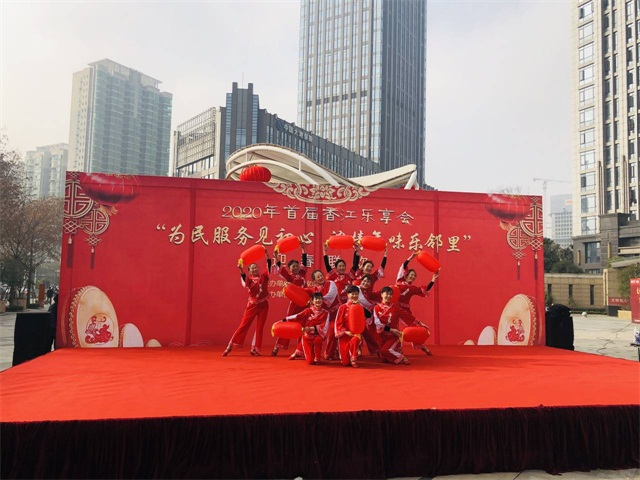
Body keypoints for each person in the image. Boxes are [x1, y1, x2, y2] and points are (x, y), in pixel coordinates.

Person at [223, 247, 272, 357]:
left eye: (255, 267)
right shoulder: (249, 280)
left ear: (258, 269)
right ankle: (230, 346)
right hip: (252, 306)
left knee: (260, 327)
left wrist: (267, 255)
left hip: (264, 305)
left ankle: (255, 349)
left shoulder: (264, 277)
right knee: (243, 325)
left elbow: (269, 267)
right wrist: (241, 270)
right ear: (249, 271)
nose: (254, 269)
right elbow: (244, 279)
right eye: (252, 268)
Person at [395, 251, 439, 355]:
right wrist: (410, 258)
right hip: (394, 307)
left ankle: (422, 346)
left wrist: (433, 280)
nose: (412, 277)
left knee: (414, 327)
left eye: (414, 276)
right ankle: (395, 349)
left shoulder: (413, 288)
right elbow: (403, 267)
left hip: (405, 310)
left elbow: (424, 289)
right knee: (392, 328)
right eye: (411, 275)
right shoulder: (399, 280)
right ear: (406, 275)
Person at [272, 243, 308, 356]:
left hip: (305, 304)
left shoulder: (302, 273)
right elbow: (280, 267)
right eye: (293, 266)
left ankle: (301, 349)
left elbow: (304, 262)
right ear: (290, 268)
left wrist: (303, 249)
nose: (296, 268)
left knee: (304, 325)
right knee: (288, 324)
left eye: (297, 266)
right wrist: (276, 256)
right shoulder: (289, 277)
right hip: (295, 304)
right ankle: (277, 347)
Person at [282, 292, 329, 365]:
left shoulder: (326, 313)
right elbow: (297, 316)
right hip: (307, 337)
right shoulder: (308, 311)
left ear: (322, 300)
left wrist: (311, 328)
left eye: (320, 299)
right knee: (310, 362)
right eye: (316, 299)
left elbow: (325, 326)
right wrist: (285, 319)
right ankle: (303, 353)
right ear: (312, 301)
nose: (318, 300)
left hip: (318, 335)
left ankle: (317, 357)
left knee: (318, 340)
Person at [304, 270, 340, 360]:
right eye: (318, 277)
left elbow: (331, 296)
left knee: (333, 331)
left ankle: (329, 353)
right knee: (310, 330)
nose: (321, 278)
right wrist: (290, 286)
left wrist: (317, 299)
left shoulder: (331, 283)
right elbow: (302, 291)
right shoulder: (313, 290)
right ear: (314, 280)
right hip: (323, 316)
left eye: (321, 275)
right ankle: (304, 352)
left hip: (335, 313)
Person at [374, 287, 410, 365]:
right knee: (383, 358)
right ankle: (394, 353)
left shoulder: (395, 307)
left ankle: (401, 357)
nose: (389, 296)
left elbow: (407, 316)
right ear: (381, 294)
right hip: (382, 336)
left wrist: (419, 323)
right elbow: (377, 323)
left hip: (393, 335)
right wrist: (390, 329)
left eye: (390, 294)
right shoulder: (376, 308)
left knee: (384, 351)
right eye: (387, 294)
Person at [334, 285, 364, 368]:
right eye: (352, 294)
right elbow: (338, 322)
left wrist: (357, 331)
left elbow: (361, 321)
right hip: (345, 335)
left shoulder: (360, 307)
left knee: (356, 338)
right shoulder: (342, 307)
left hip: (354, 334)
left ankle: (354, 357)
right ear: (348, 295)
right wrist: (345, 332)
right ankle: (349, 355)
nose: (354, 296)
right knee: (345, 362)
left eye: (356, 294)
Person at [354, 274, 381, 357]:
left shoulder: (368, 293)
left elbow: (371, 301)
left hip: (363, 315)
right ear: (361, 281)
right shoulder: (356, 289)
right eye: (364, 281)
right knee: (358, 332)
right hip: (354, 314)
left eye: (368, 282)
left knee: (365, 333)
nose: (366, 283)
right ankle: (357, 349)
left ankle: (375, 349)